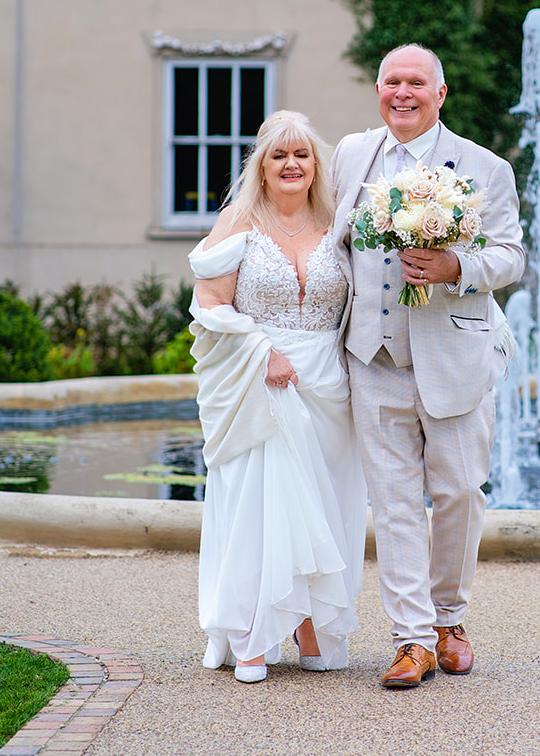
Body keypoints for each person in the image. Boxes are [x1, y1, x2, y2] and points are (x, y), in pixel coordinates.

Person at [328, 44, 525, 689]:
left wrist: (455, 266)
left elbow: (510, 256)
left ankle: (449, 620)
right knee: (392, 504)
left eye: (416, 82)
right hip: (372, 354)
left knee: (460, 492)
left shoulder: (485, 167)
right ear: (378, 91)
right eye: (392, 82)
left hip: (455, 354)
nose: (402, 93)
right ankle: (410, 638)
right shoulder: (352, 154)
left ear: (440, 94)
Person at [188, 110, 367, 683]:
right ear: (261, 167)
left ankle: (311, 625)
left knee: (323, 505)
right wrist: (262, 351)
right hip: (259, 379)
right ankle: (251, 633)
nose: (292, 165)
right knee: (258, 508)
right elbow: (209, 302)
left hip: (328, 383)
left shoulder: (338, 221)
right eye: (279, 155)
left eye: (302, 155)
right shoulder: (239, 220)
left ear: (316, 165)